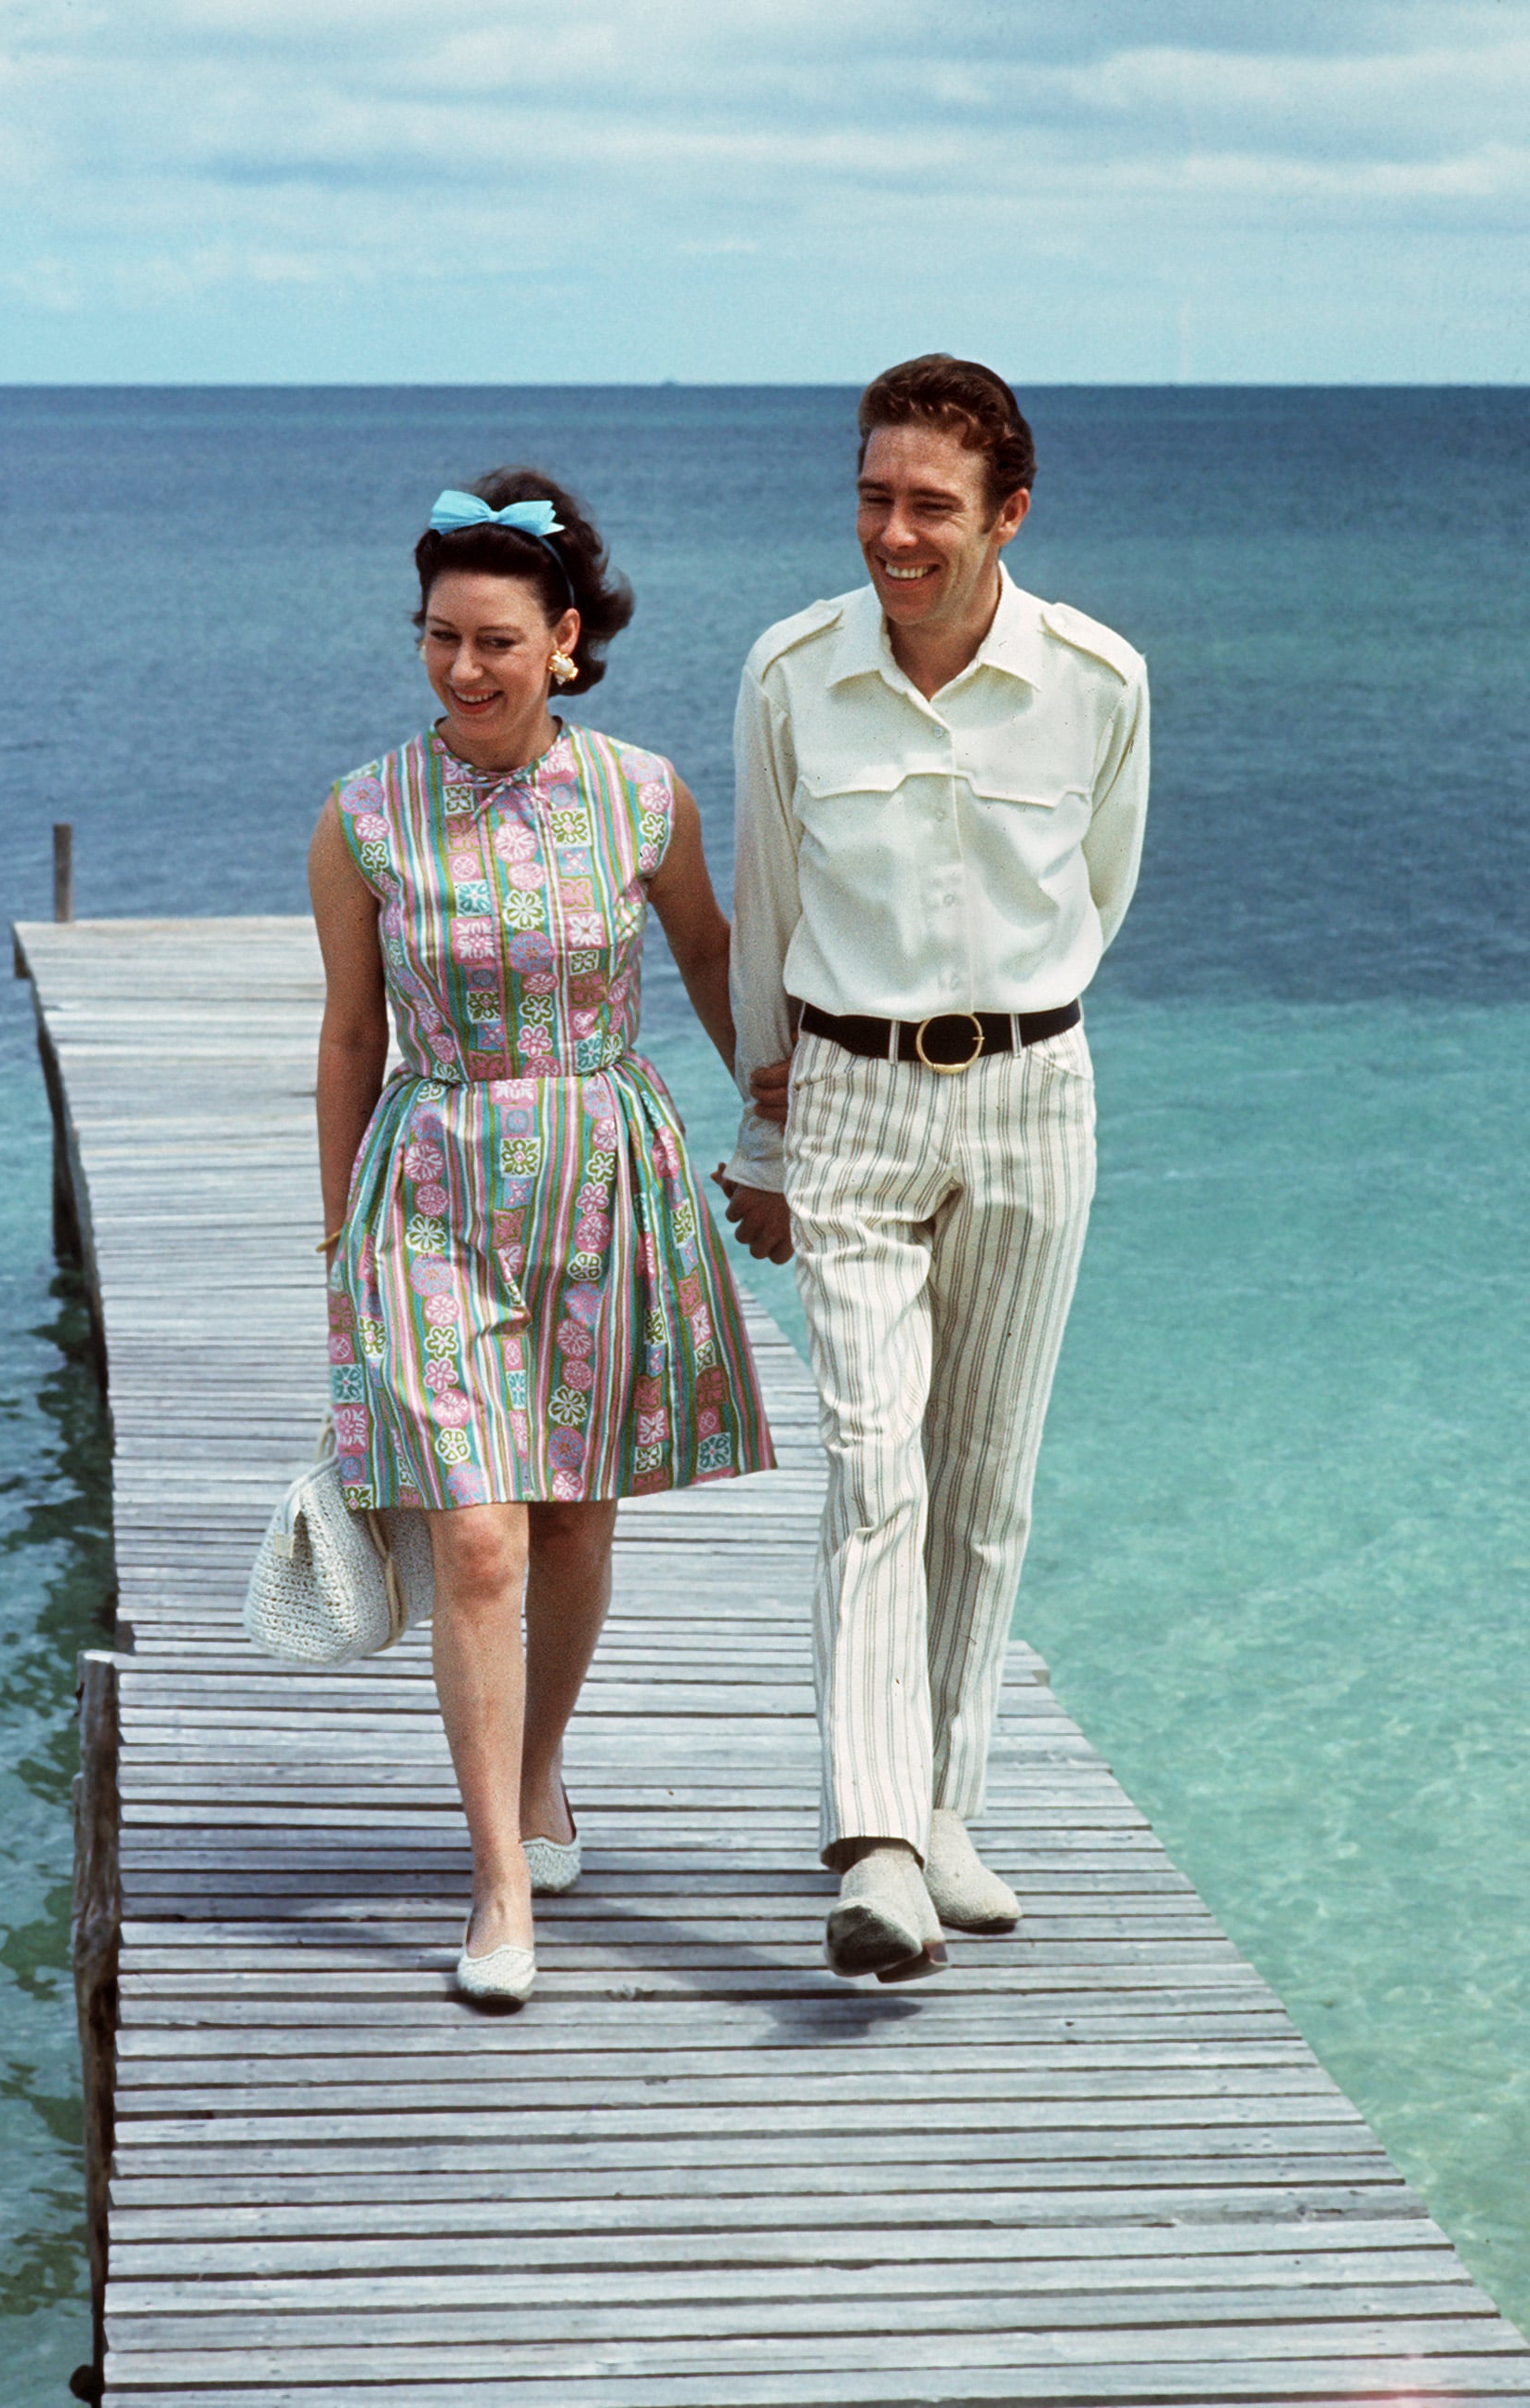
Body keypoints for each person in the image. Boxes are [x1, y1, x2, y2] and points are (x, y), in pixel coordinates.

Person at [310, 470, 774, 2009]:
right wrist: (338, 1244)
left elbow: (710, 961)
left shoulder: (645, 796)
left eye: (497, 639)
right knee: (482, 1532)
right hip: (434, 1182)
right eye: (440, 635)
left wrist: (777, 1137)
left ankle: (541, 1766)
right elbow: (349, 1038)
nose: (463, 668)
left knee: (576, 1517)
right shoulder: (365, 813)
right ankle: (497, 1883)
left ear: (567, 639)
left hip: (603, 1177)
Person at [721, 355, 1148, 1983]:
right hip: (847, 1097)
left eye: (931, 506)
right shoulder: (790, 675)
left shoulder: (1098, 681)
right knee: (871, 1459)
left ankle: (951, 1806)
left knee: (988, 1478)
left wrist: (1013, 1025)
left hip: (1038, 1094)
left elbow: (1100, 889)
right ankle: (875, 1840)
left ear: (1007, 515)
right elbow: (765, 917)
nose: (893, 533)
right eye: (873, 496)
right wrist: (766, 1136)